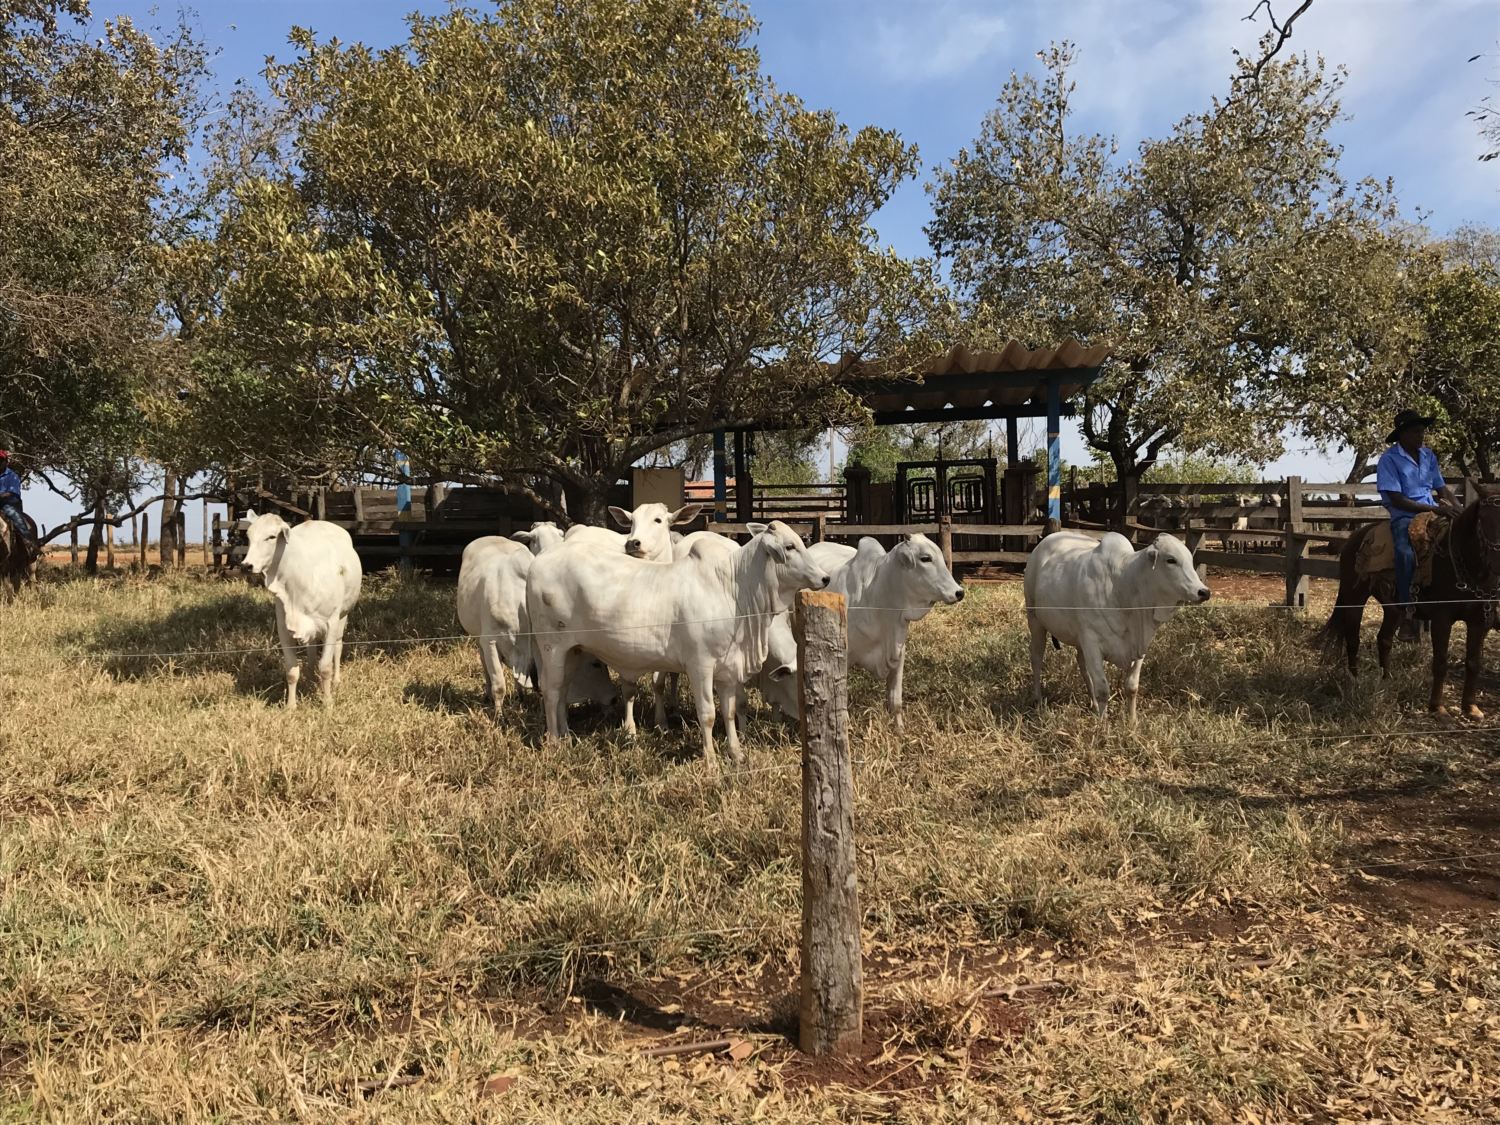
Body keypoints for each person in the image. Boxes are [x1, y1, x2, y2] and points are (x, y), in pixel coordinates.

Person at [1375, 411, 1461, 640]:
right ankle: (1406, 611)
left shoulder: (1428, 456)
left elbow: (1442, 489)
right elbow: (1396, 498)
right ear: (1401, 434)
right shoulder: (1389, 459)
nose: (1420, 435)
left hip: (1434, 511)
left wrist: (1461, 510)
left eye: (1422, 431)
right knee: (1405, 553)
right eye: (1415, 431)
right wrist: (1436, 509)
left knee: (1464, 541)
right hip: (1405, 515)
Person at [0, 449, 33, 547]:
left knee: (13, 514)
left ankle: (28, 540)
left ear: (6, 462)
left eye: (1, 460)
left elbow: (12, 493)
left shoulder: (12, 476)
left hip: (8, 502)